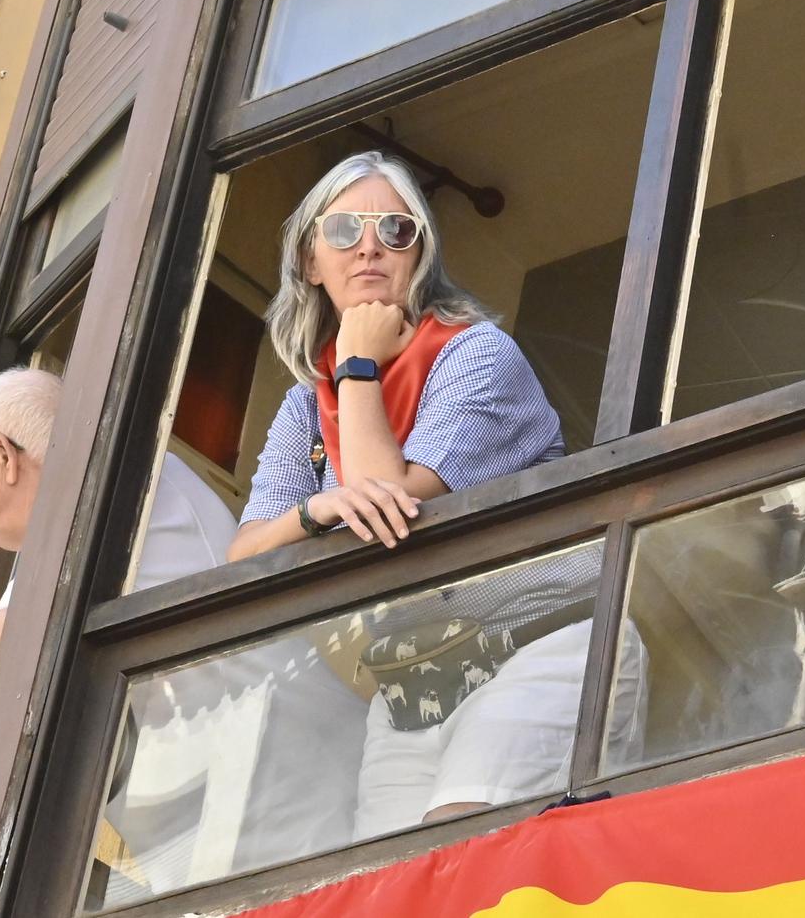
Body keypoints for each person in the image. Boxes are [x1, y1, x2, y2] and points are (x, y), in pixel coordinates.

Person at [233, 151, 639, 837]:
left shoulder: (476, 354)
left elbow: (390, 509)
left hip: (541, 641)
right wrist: (313, 511)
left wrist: (360, 363)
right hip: (412, 688)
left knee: (461, 850)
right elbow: (244, 556)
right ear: (309, 259)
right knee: (392, 887)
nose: (369, 246)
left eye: (395, 231)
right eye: (343, 231)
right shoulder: (307, 407)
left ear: (418, 256)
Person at [0, 368, 366, 901]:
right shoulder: (55, 535)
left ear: (2, 453)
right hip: (205, 838)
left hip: (286, 815)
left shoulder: (115, 481)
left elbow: (22, 637)